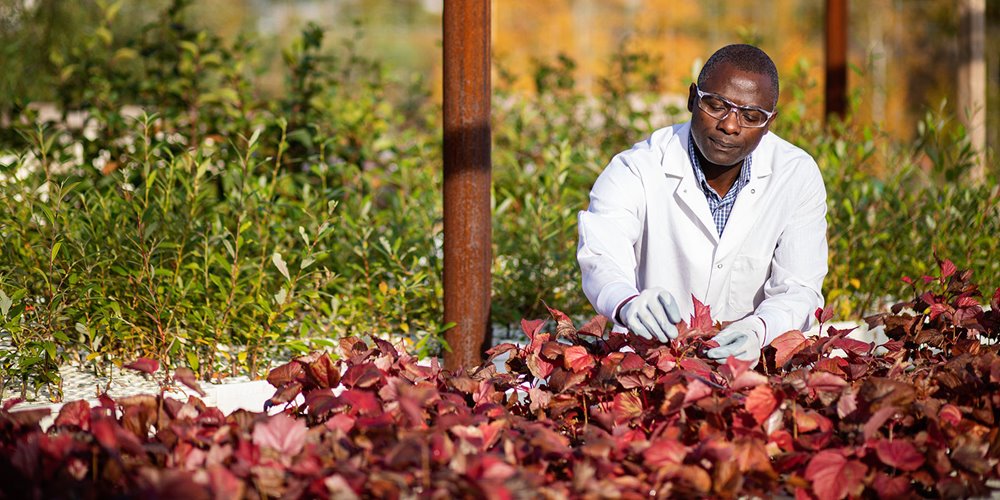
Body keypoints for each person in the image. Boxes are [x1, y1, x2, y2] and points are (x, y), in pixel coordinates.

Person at [577, 44, 828, 366]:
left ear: (769, 122)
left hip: (752, 370)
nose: (730, 125)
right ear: (693, 99)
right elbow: (601, 254)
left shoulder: (795, 174)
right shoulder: (637, 168)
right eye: (716, 106)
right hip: (652, 366)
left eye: (751, 116)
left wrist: (759, 329)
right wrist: (627, 301)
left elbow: (800, 287)